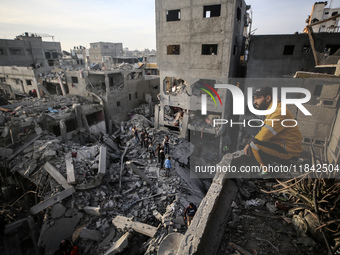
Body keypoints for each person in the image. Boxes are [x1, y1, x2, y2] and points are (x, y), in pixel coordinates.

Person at [243, 86, 303, 172]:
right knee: (252, 141)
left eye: (257, 98)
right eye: (254, 98)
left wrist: (250, 142)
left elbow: (263, 137)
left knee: (254, 144)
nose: (254, 101)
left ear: (268, 98)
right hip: (284, 146)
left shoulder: (278, 112)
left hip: (290, 153)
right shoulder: (273, 110)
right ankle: (271, 168)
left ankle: (267, 173)